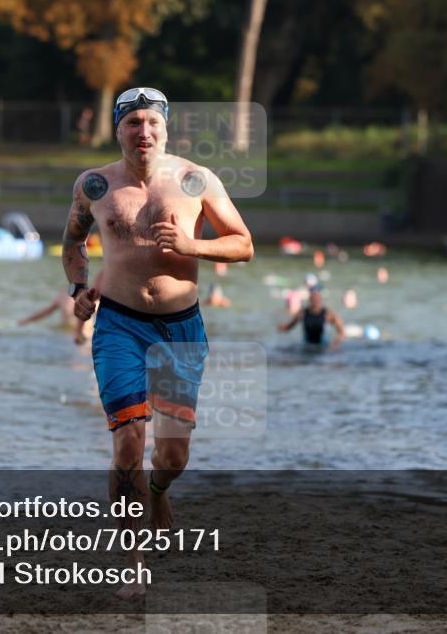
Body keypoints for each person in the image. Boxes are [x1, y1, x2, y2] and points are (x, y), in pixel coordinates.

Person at [61, 87, 253, 599]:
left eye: (152, 123)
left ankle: (160, 490)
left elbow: (244, 244)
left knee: (172, 455)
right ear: (118, 130)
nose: (142, 132)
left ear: (166, 130)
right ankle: (133, 564)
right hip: (118, 327)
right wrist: (79, 289)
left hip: (180, 328)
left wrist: (192, 245)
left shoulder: (196, 180)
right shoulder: (95, 184)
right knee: (128, 442)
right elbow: (73, 241)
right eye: (132, 123)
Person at [278, 285, 345, 349]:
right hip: (307, 345)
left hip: (323, 346)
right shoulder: (302, 313)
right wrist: (281, 327)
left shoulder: (328, 314)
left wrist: (336, 342)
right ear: (309, 299)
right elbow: (289, 326)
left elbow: (341, 332)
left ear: (320, 299)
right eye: (313, 298)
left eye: (317, 298)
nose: (315, 300)